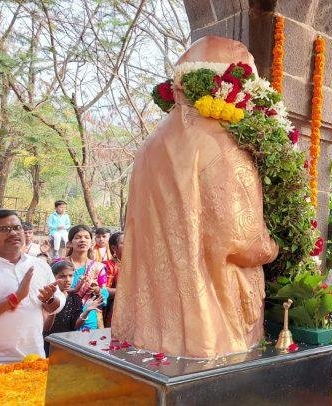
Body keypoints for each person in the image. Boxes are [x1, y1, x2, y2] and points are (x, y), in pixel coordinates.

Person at [112, 37, 280, 358]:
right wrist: (274, 246)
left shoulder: (150, 145)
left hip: (148, 324)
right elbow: (241, 239)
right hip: (210, 329)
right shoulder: (223, 145)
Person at [0, 209, 64, 363]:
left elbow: (57, 304)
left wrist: (49, 300)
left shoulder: (39, 265)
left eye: (17, 227)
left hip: (34, 358)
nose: (13, 233)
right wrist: (16, 298)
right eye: (4, 229)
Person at [66, 225, 109, 330]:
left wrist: (97, 290)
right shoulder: (59, 264)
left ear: (91, 243)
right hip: (64, 314)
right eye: (78, 237)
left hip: (89, 317)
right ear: (70, 243)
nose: (82, 240)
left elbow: (104, 295)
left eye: (86, 237)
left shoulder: (98, 267)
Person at [43, 261, 85, 356]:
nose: (67, 280)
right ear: (53, 277)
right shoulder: (46, 297)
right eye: (62, 276)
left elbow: (74, 326)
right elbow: (46, 328)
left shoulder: (75, 299)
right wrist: (53, 307)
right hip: (48, 344)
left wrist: (87, 311)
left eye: (71, 275)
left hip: (67, 344)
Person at [102, 232, 123, 327]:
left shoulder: (138, 265)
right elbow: (103, 290)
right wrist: (128, 292)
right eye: (125, 243)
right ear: (114, 248)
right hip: (116, 310)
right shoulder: (108, 265)